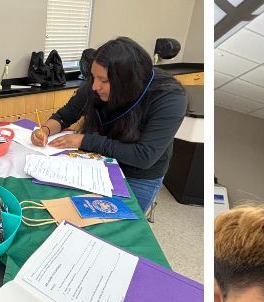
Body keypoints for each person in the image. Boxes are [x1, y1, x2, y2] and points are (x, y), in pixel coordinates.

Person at [31, 36, 187, 214]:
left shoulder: (170, 98)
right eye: (93, 77)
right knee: (79, 214)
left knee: (122, 227)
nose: (94, 86)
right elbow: (64, 116)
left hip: (138, 175)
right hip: (97, 162)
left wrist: (84, 141)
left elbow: (144, 156)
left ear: (127, 80)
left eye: (103, 81)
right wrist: (45, 129)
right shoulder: (96, 84)